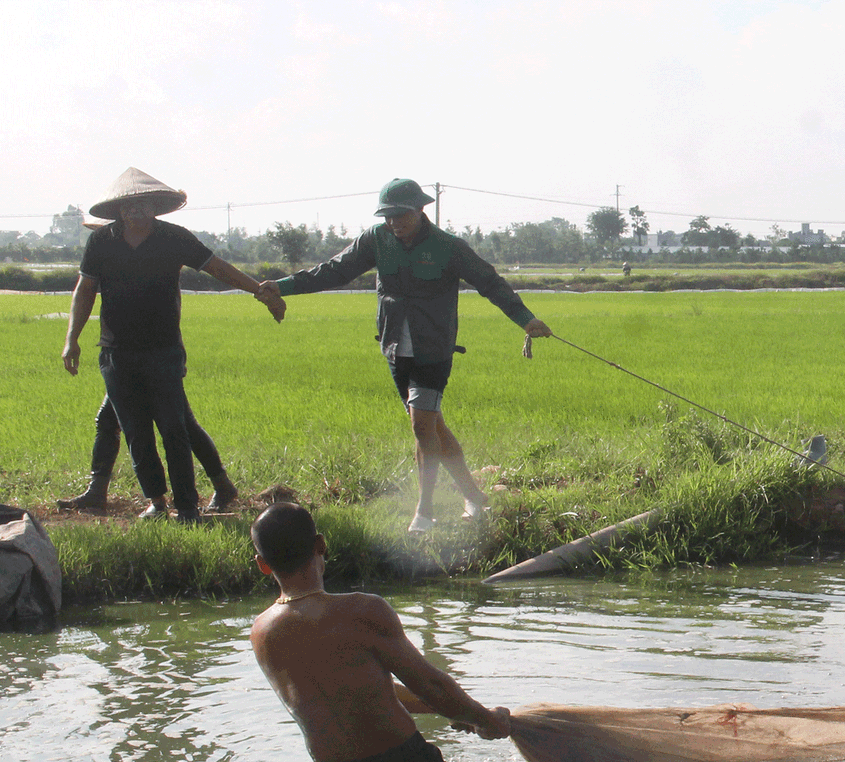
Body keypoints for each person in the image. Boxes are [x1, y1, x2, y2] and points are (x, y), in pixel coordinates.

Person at [265, 179, 553, 533]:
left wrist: (525, 320)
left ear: (420, 210)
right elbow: (335, 270)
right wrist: (282, 287)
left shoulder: (448, 247)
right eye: (387, 217)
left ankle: (425, 511)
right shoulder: (377, 239)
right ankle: (474, 497)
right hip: (394, 345)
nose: (394, 223)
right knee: (431, 426)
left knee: (421, 425)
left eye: (400, 216)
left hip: (434, 346)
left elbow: (490, 282)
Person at [249, 502, 512, 762]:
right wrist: (483, 719)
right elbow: (431, 684)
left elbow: (356, 691)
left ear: (262, 564)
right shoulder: (363, 610)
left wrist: (458, 710)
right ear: (321, 545)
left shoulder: (261, 633)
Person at [60, 168, 281, 522]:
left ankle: (188, 507)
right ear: (118, 210)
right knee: (134, 430)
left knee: (174, 428)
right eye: (129, 205)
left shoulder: (174, 238)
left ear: (155, 207)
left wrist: (258, 290)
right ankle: (157, 502)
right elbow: (85, 290)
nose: (136, 210)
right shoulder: (101, 243)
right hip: (116, 352)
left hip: (163, 350)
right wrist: (72, 340)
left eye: (143, 204)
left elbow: (217, 268)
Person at [57, 394, 237, 514]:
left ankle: (220, 486)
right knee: (108, 419)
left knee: (182, 424)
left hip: (153, 356)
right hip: (127, 357)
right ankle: (97, 491)